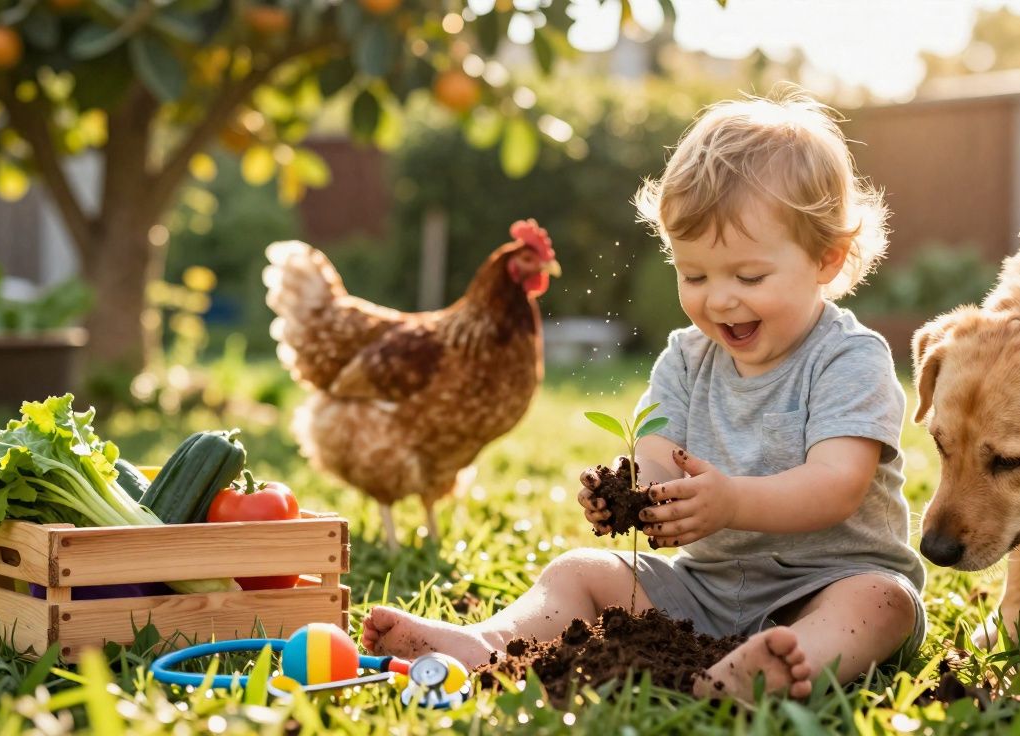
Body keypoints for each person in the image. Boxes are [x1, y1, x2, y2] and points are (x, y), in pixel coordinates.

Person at [362, 86, 925, 702]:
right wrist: (632, 494)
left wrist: (731, 502)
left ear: (827, 258)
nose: (719, 298)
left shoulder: (849, 357)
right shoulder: (687, 357)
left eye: (749, 276)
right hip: (704, 594)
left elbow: (837, 485)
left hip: (826, 586)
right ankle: (489, 644)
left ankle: (771, 671)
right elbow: (656, 454)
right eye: (694, 275)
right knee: (578, 571)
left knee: (883, 601)